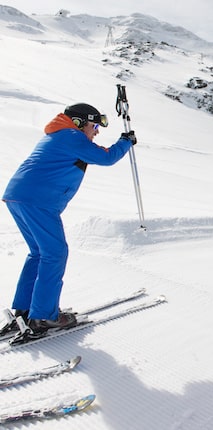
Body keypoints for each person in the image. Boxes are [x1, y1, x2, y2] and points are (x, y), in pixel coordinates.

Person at [1, 103, 137, 341]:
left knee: (39, 253)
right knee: (54, 253)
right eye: (93, 126)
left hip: (20, 197)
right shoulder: (71, 136)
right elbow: (104, 158)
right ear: (78, 123)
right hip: (37, 201)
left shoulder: (61, 135)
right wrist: (125, 141)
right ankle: (43, 316)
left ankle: (25, 310)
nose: (95, 131)